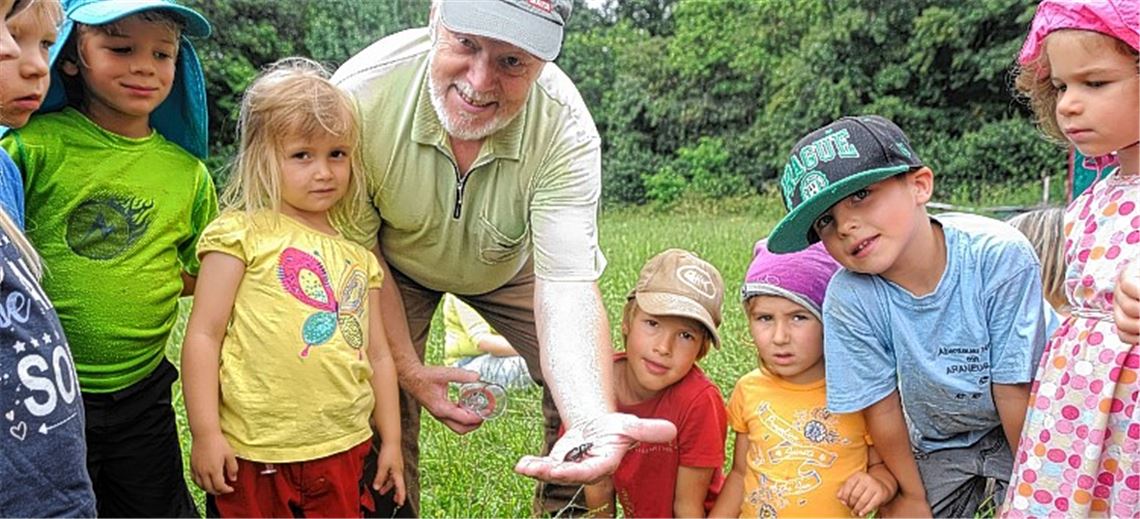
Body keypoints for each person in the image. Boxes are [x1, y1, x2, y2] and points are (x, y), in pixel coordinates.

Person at [331, 0, 675, 515]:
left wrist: (586, 415)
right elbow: (357, 257)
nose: (479, 80)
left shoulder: (565, 129)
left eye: (512, 61)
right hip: (390, 261)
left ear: (543, 62)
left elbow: (566, 286)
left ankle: (571, 504)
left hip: (512, 263)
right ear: (434, 17)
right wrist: (407, 370)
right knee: (370, 391)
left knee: (588, 389)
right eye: (466, 43)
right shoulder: (360, 95)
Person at [765, 115, 1048, 517]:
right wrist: (911, 498)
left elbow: (1014, 388)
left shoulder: (998, 255)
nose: (845, 225)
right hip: (940, 437)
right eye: (825, 220)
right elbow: (881, 406)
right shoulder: (850, 297)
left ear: (919, 185)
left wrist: (1033, 490)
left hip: (1030, 420)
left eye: (861, 194)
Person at [0, 0, 216, 515]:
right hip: (46, 396)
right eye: (120, 48)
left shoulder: (187, 174)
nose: (145, 66)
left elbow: (200, 269)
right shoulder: (32, 148)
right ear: (74, 56)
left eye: (163, 54)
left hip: (141, 392)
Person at [181, 58, 405, 518]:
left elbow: (379, 356)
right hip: (254, 453)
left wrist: (393, 443)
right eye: (302, 155)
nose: (323, 172)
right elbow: (204, 334)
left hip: (344, 447)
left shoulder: (360, 257)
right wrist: (206, 434)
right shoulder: (240, 234)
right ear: (264, 157)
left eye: (336, 154)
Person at [1001, 1, 1139, 515]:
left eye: (1095, 83)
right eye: (1060, 87)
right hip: (1075, 410)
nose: (1069, 105)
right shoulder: (1093, 197)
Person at [710, 241, 896, 518]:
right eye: (765, 318)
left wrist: (879, 484)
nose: (780, 336)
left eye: (799, 317)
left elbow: (882, 467)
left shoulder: (856, 394)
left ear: (829, 321)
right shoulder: (749, 389)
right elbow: (739, 473)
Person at [0, 0, 96, 516]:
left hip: (53, 484)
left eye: (44, 43)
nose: (35, 63)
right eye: (15, 34)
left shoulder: (3, 171)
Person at [580, 249, 727, 518]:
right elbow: (599, 489)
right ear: (627, 321)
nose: (663, 347)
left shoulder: (698, 401)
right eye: (652, 323)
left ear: (701, 350)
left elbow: (688, 507)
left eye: (685, 335)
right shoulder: (594, 387)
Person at [442, 293, 535, 389]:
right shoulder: (464, 290)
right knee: (540, 365)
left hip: (507, 355)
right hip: (468, 365)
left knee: (544, 363)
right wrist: (532, 349)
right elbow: (483, 342)